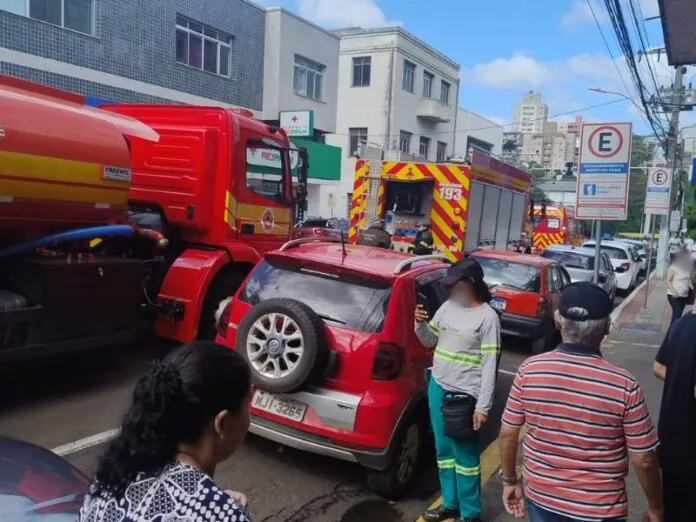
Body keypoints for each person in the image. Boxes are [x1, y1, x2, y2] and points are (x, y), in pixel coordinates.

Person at [499, 282, 663, 522]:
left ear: (557, 322)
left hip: (542, 500)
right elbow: (644, 459)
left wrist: (509, 481)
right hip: (600, 509)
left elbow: (507, 433)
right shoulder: (624, 385)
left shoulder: (529, 370)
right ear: (607, 327)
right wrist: (655, 506)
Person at [79, 341, 252, 522]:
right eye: (246, 404)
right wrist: (223, 509)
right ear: (221, 423)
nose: (248, 418)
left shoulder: (113, 475)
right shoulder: (224, 515)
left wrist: (215, 501)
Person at [414, 259, 501, 522]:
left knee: (465, 457)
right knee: (443, 451)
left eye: (455, 285)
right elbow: (429, 339)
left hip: (465, 396)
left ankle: (470, 513)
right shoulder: (448, 307)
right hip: (438, 387)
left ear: (470, 284)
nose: (450, 290)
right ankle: (449, 503)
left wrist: (483, 407)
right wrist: (420, 323)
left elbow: (489, 367)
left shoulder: (488, 318)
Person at [653, 308, 696, 522]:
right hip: (691, 445)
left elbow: (658, 366)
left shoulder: (679, 324)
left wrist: (682, 379)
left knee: (672, 508)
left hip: (670, 438)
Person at [666, 249, 693, 325]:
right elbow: (668, 281)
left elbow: (689, 281)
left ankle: (671, 334)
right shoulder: (673, 268)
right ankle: (672, 334)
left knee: (678, 315)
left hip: (684, 295)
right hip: (674, 296)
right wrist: (674, 291)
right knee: (677, 315)